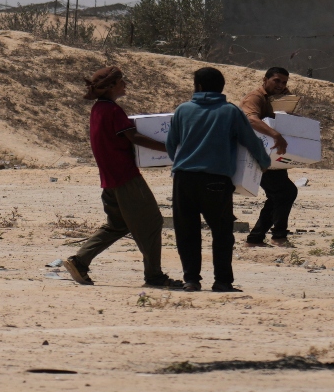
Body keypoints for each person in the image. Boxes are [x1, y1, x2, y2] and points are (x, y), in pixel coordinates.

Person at [62, 67, 182, 289]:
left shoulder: (99, 109)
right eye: (121, 82)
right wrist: (172, 149)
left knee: (118, 224)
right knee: (152, 221)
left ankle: (80, 261)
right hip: (125, 177)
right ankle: (154, 276)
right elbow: (134, 136)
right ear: (110, 87)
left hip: (110, 178)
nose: (124, 85)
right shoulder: (113, 111)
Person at [166, 67, 271, 292]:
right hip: (216, 180)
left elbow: (171, 144)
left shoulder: (182, 110)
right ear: (221, 87)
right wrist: (264, 162)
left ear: (199, 86)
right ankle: (222, 281)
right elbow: (252, 141)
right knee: (222, 232)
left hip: (184, 178)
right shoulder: (230, 112)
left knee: (187, 231)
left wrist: (183, 161)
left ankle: (191, 279)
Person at [240, 67, 298, 248]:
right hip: (256, 154)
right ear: (265, 80)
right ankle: (278, 236)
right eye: (277, 81)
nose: (281, 85)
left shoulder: (282, 97)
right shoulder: (255, 97)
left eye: (284, 82)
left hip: (273, 155)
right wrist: (276, 135)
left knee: (278, 195)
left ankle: (256, 238)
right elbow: (250, 119)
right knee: (285, 192)